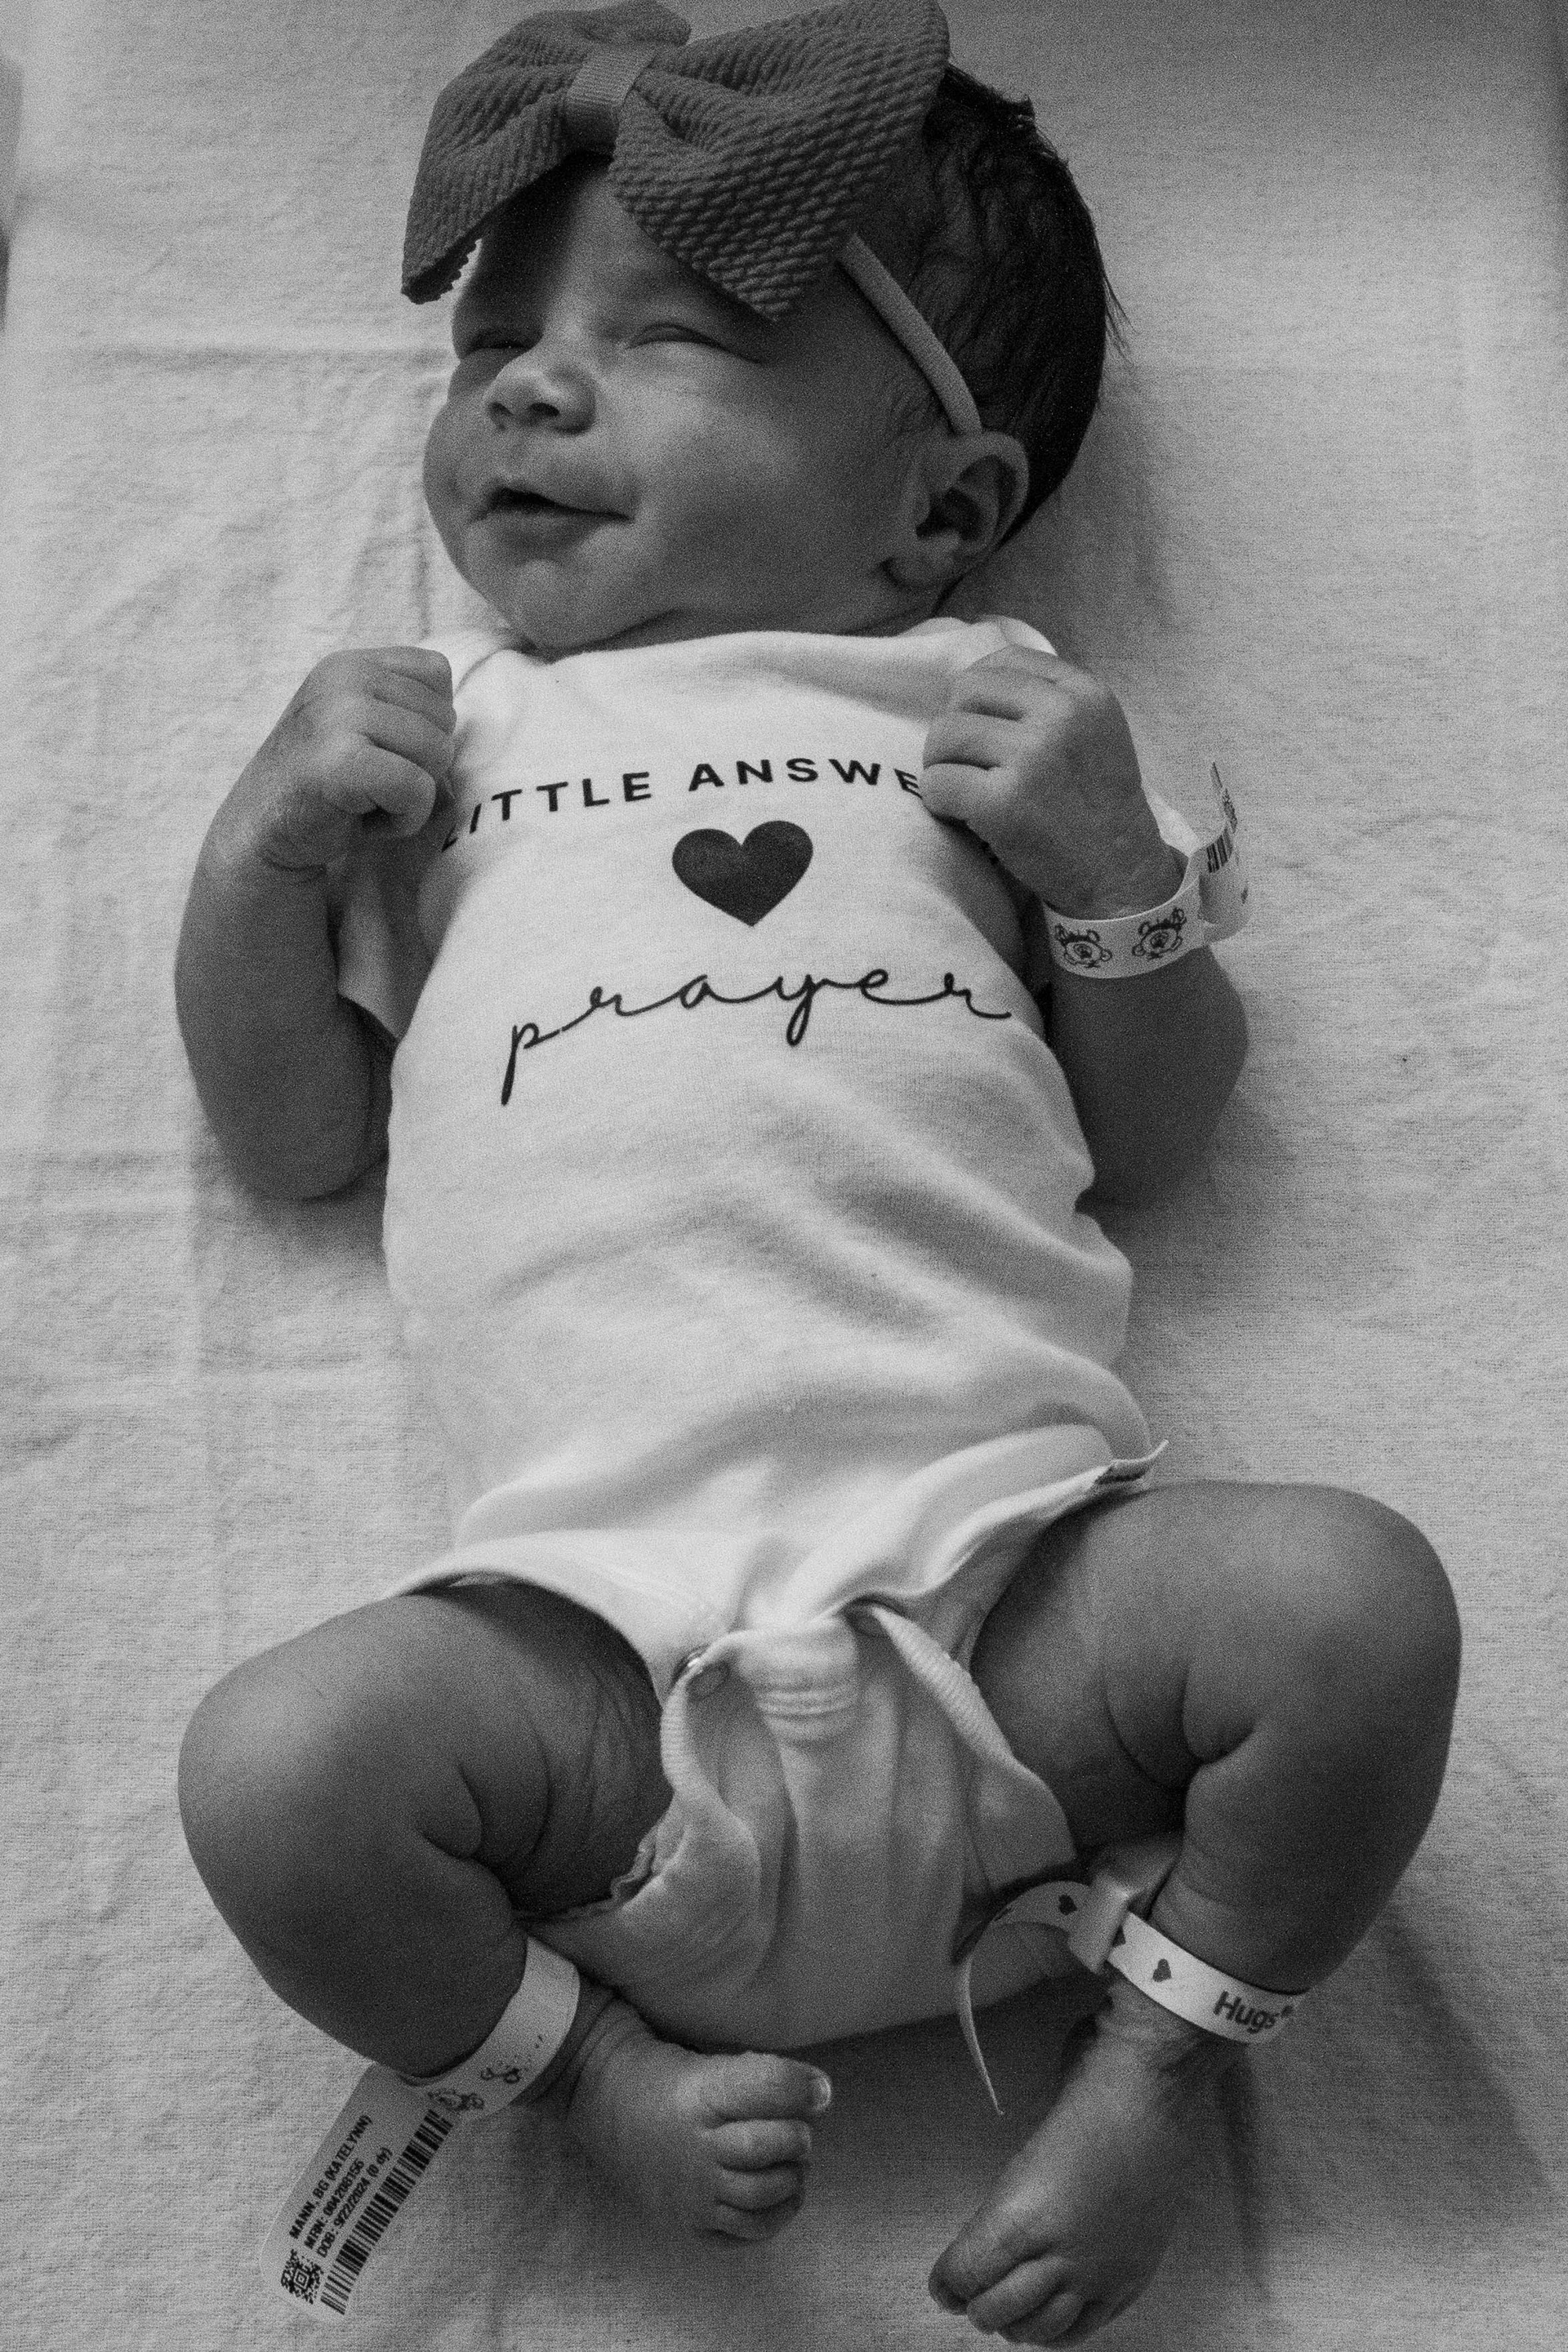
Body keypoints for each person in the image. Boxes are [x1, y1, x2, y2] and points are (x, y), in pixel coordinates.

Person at [172, 5, 1461, 2341]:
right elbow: (295, 1135)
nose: (529, 391)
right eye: (492, 345)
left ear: (939, 510)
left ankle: (1154, 2065)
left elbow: (1157, 1134)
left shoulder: (1006, 708)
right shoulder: (440, 736)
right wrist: (259, 859)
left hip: (1020, 1597)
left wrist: (1113, 882)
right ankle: (595, 2075)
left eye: (662, 339)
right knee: (277, 1777)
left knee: (1355, 1609)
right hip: (593, 1656)